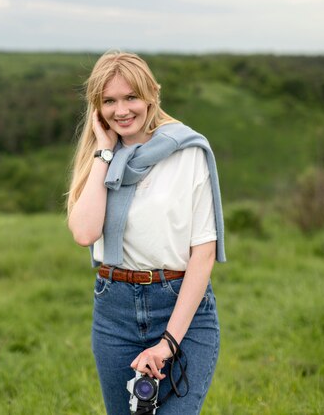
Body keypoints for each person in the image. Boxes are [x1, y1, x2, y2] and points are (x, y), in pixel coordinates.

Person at [67, 50, 226, 415]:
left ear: (152, 94)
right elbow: (84, 232)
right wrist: (105, 153)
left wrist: (168, 342)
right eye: (109, 101)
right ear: (96, 108)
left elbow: (202, 254)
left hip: (181, 307)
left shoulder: (187, 151)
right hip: (115, 311)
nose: (121, 111)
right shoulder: (100, 159)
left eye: (131, 97)